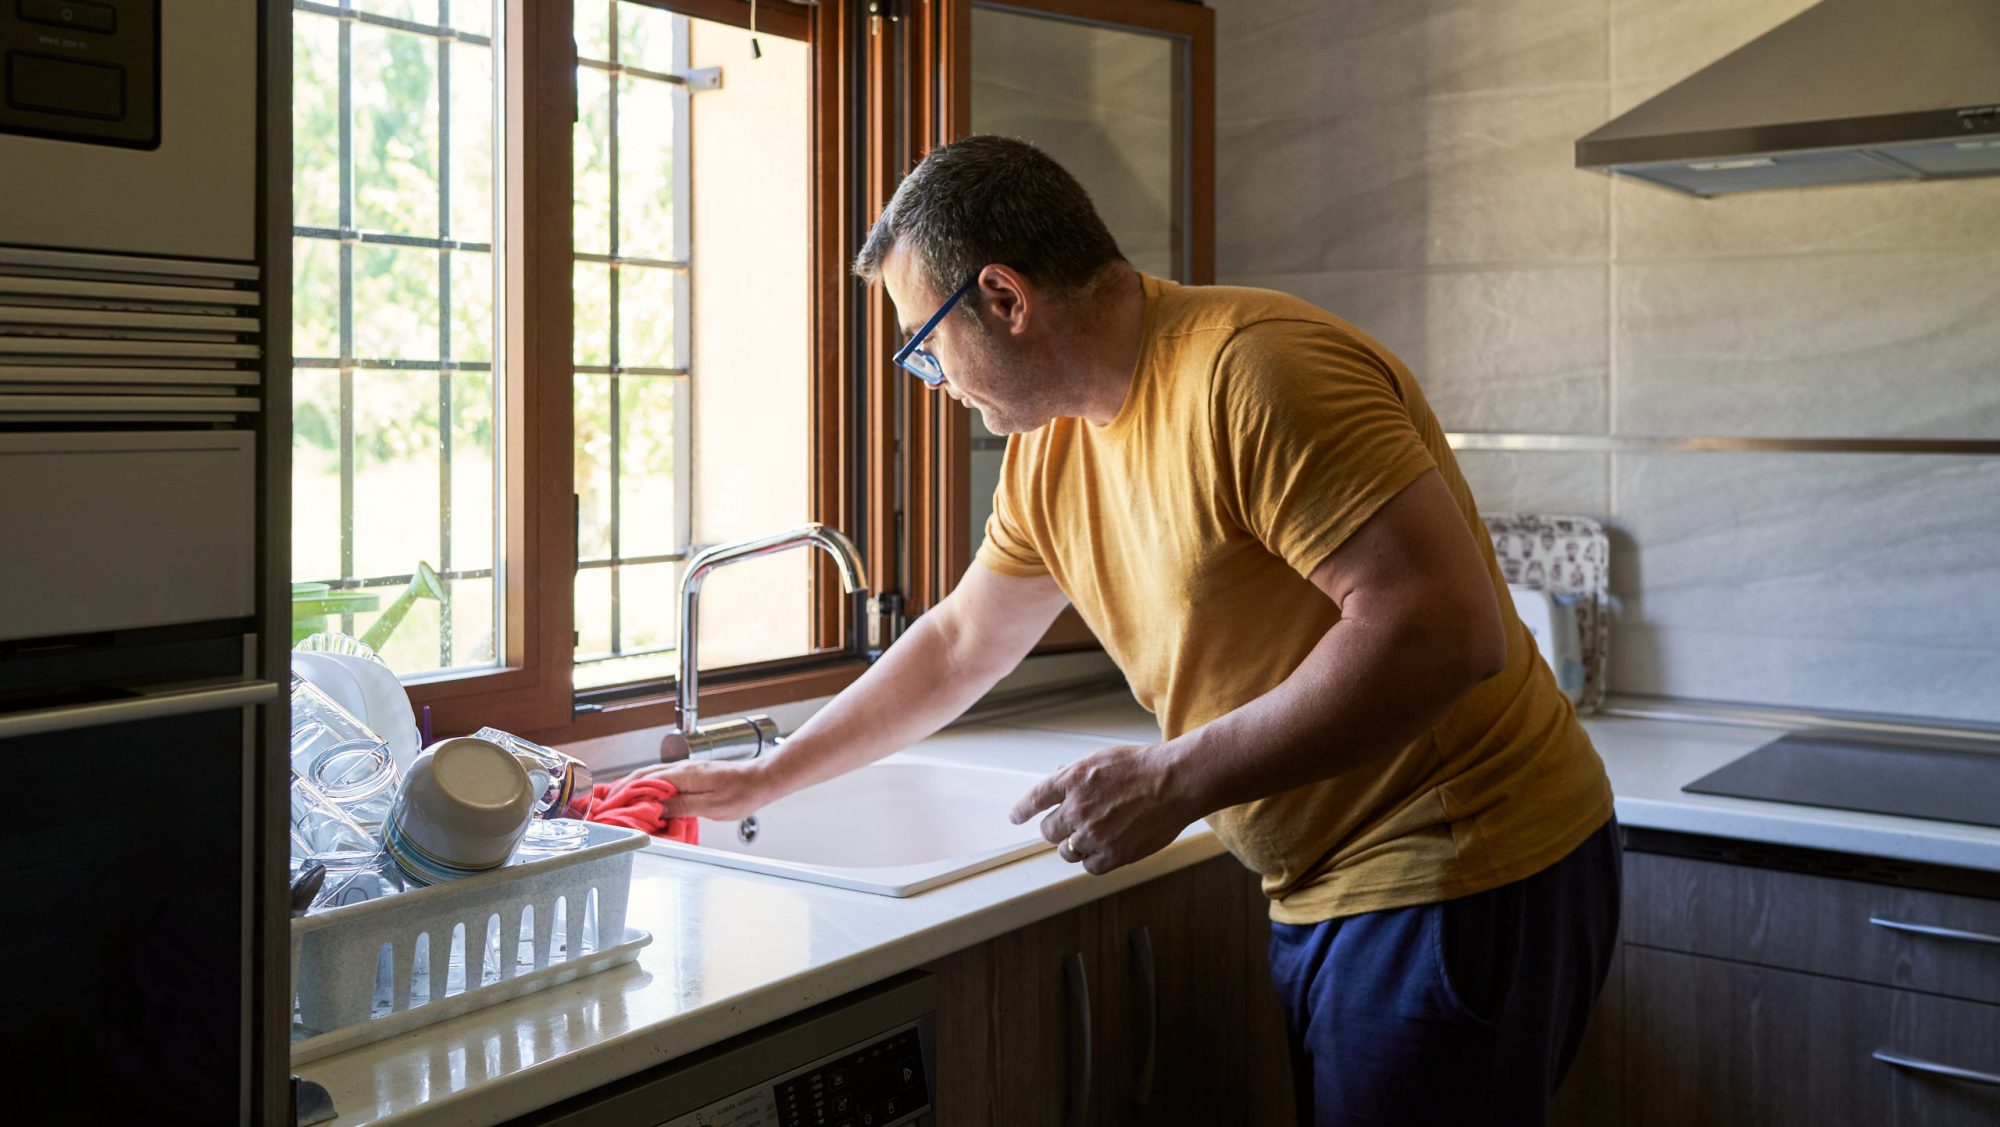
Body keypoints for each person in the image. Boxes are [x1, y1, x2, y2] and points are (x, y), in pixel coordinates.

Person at [633, 135, 1620, 1126]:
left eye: (923, 345)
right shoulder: (1052, 449)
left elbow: (1442, 631)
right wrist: (769, 774)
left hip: (1461, 860)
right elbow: (959, 642)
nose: (931, 381)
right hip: (1328, 881)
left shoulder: (1253, 372)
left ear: (1005, 298)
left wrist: (1176, 776)